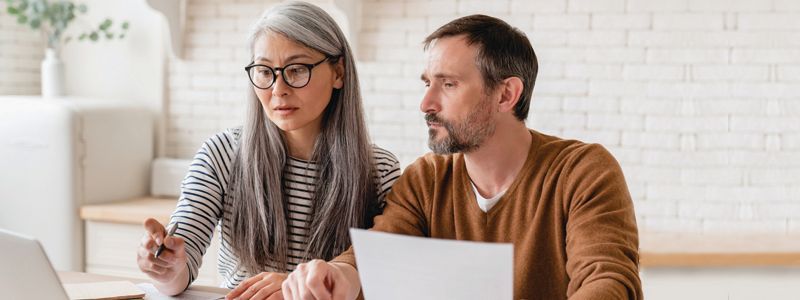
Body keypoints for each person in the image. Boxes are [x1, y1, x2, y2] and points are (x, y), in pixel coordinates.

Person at [282, 14, 643, 300]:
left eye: (449, 84)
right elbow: (379, 254)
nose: (426, 104)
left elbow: (610, 281)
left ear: (506, 95)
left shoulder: (582, 171)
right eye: (427, 83)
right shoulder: (425, 179)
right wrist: (339, 275)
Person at [135, 2, 400, 299]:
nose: (278, 89)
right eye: (264, 71)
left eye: (297, 70)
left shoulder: (380, 170)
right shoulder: (222, 154)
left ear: (338, 72)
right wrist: (166, 267)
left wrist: (296, 287)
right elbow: (179, 274)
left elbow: (388, 278)